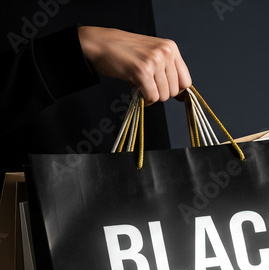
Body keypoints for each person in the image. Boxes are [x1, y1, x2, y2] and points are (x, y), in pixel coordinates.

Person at [2, 4, 186, 171]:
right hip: (23, 183)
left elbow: (144, 87)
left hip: (117, 181)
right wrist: (75, 48)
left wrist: (162, 177)